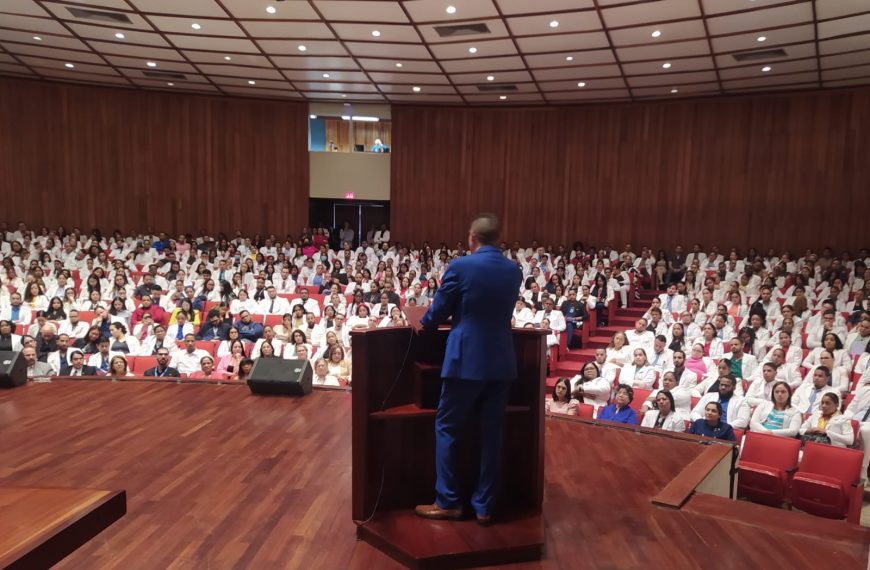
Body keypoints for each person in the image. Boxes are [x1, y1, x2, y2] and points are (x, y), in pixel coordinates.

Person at [415, 213, 522, 527]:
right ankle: (484, 506)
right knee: (492, 434)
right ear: (499, 239)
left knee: (447, 427)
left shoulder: (461, 266)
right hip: (502, 360)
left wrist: (424, 322)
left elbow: (437, 313)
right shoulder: (514, 270)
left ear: (472, 237)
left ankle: (448, 501)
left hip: (466, 359)